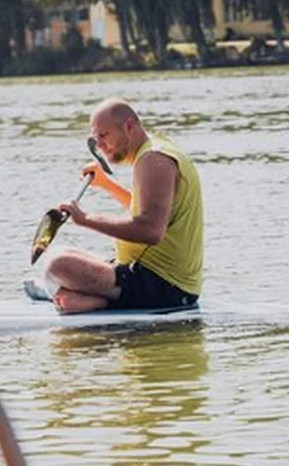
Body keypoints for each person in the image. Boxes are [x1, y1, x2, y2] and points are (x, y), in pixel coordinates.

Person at [42, 98, 202, 314]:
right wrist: (107, 184)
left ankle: (101, 301)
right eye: (95, 139)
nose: (99, 146)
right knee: (61, 253)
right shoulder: (155, 149)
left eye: (104, 135)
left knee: (57, 264)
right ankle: (87, 295)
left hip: (166, 288)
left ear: (129, 126)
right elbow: (147, 209)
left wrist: (86, 219)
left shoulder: (154, 160)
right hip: (148, 275)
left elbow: (151, 230)